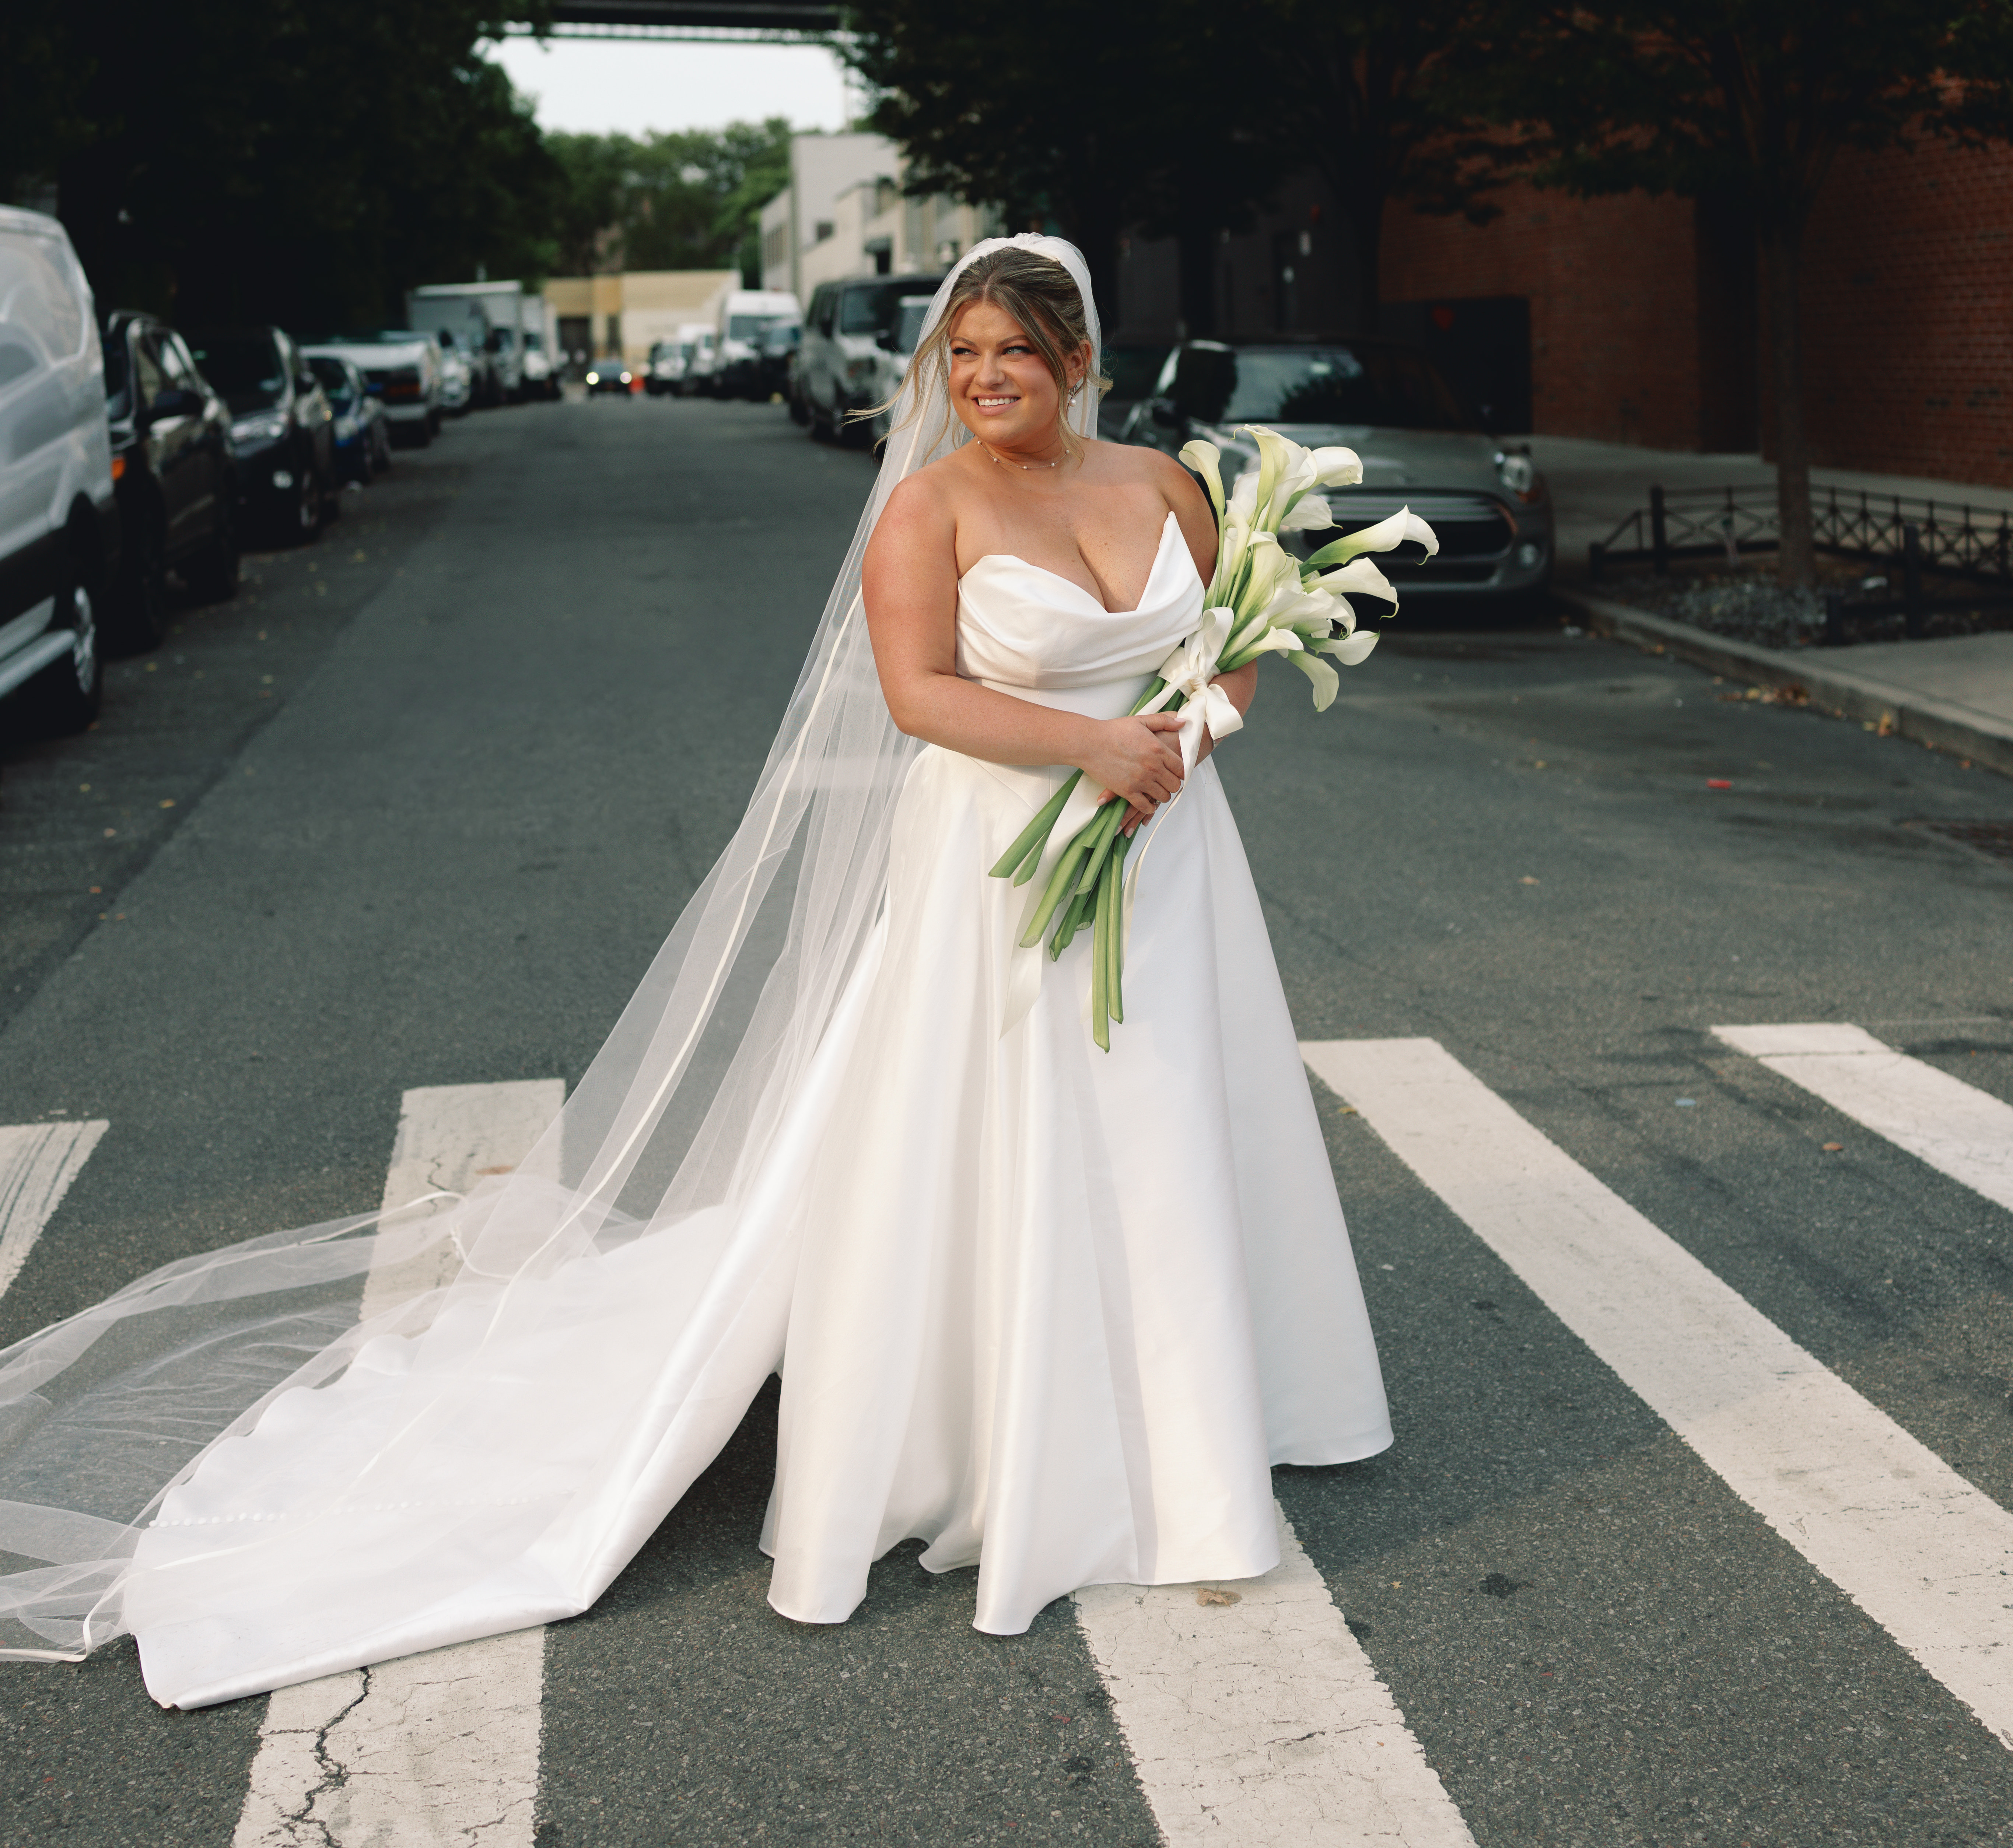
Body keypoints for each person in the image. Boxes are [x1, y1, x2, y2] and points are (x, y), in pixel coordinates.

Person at [0, 238, 1387, 1706]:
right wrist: (1091, 746)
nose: (984, 377)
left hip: (1169, 845)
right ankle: (1007, 1434)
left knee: (1169, 1115)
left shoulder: (1167, 482)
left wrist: (1184, 742)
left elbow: (1238, 638)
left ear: (1079, 359)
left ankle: (1198, 1411)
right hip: (999, 853)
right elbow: (921, 695)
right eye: (962, 352)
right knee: (1015, 1129)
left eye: (1017, 353)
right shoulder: (928, 506)